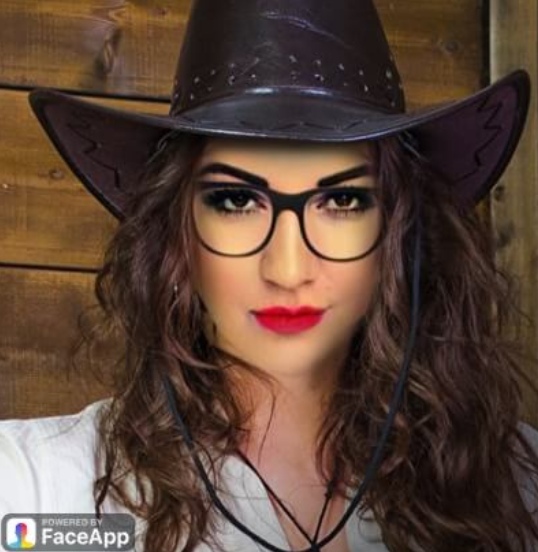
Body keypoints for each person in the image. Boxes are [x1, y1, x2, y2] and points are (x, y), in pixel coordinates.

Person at [1, 0, 537, 551]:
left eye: (341, 201)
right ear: (176, 236)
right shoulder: (35, 492)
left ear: (397, 234)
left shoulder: (517, 488)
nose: (288, 269)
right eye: (236, 200)